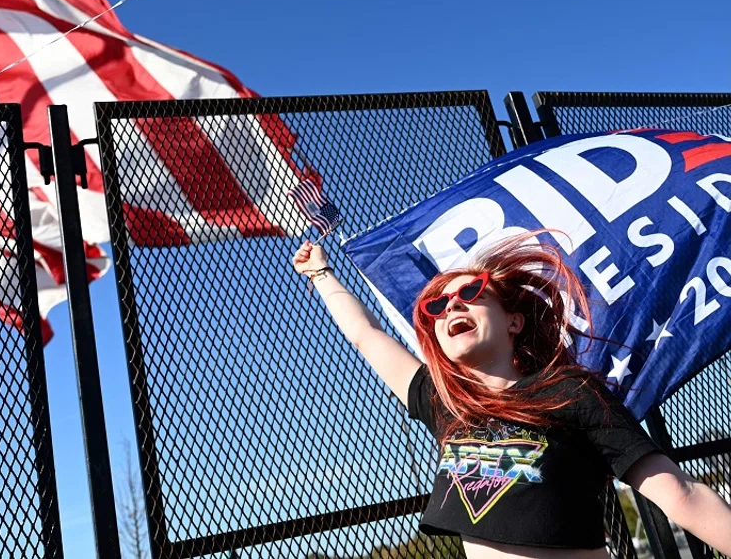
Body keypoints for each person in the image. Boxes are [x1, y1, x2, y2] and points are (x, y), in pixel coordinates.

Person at [292, 231, 731, 559]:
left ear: (513, 322)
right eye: (437, 307)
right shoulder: (442, 399)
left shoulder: (569, 391)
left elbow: (679, 492)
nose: (452, 307)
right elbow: (366, 336)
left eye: (469, 293)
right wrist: (321, 274)